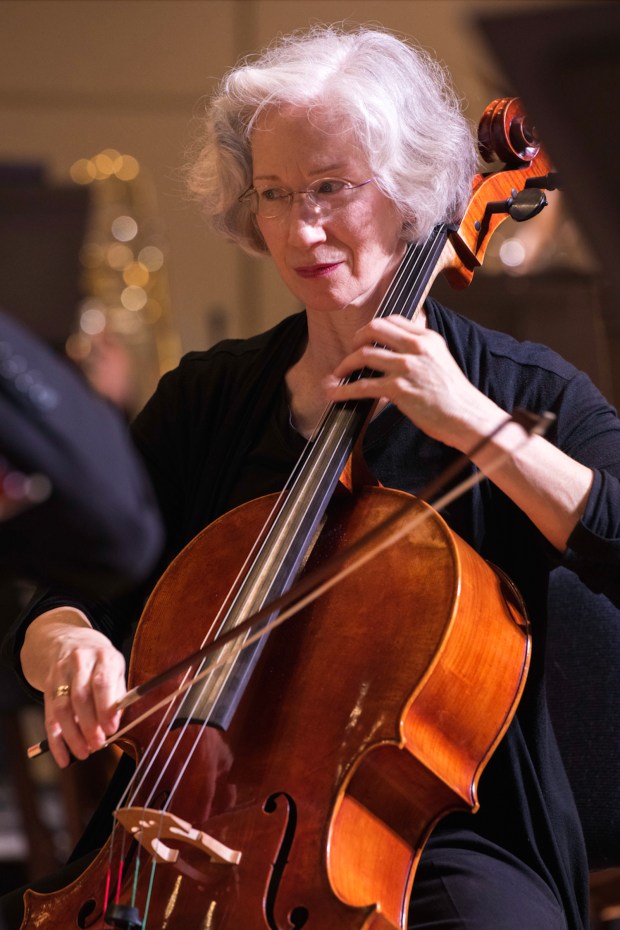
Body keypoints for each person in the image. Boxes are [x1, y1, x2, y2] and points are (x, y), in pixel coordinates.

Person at [5, 24, 620, 930]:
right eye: (275, 194)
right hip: (185, 817)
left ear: (413, 191)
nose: (303, 228)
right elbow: (61, 586)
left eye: (332, 188)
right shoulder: (210, 399)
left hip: (442, 835)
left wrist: (478, 429)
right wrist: (66, 645)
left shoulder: (520, 393)